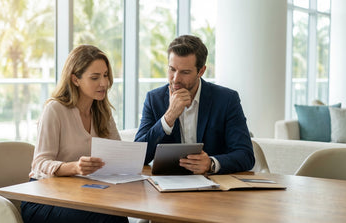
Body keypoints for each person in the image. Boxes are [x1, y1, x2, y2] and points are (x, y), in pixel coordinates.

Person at [21, 45, 128, 223]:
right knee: (108, 219)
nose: (104, 83)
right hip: (43, 198)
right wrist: (75, 167)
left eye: (106, 75)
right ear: (75, 80)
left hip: (80, 194)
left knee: (116, 216)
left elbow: (117, 151)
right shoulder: (55, 109)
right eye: (95, 77)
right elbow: (39, 163)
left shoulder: (102, 111)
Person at [134, 35, 255, 175]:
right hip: (167, 185)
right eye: (172, 69)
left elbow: (246, 155)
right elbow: (138, 156)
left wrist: (211, 163)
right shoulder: (154, 99)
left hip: (213, 187)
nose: (176, 79)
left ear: (201, 71)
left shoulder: (226, 99)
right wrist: (169, 117)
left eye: (185, 72)